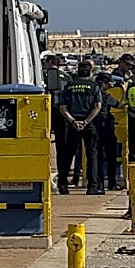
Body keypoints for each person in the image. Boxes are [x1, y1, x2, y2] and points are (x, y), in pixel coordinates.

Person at [59, 60, 103, 195]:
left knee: (69, 154)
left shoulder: (69, 87)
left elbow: (62, 107)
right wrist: (86, 121)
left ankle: (63, 184)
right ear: (90, 72)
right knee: (92, 155)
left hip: (73, 125)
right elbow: (98, 107)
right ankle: (92, 186)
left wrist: (73, 122)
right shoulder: (94, 87)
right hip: (88, 124)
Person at [42, 53, 72, 183]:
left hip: (45, 112)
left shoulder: (43, 76)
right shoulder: (67, 77)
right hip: (63, 113)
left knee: (42, 144)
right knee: (62, 147)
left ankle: (42, 172)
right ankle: (63, 177)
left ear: (49, 62)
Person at [94, 73, 122, 191]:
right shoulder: (106, 96)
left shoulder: (93, 94)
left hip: (94, 127)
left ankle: (98, 184)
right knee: (111, 156)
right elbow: (119, 105)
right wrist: (124, 91)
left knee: (97, 156)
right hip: (107, 127)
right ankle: (112, 182)